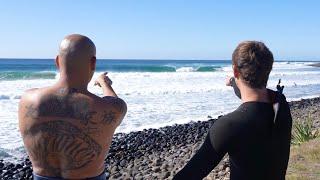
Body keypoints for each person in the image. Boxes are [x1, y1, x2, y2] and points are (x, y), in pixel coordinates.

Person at [174, 41, 292, 180]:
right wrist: (233, 82)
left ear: (236, 71)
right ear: (268, 70)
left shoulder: (229, 125)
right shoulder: (281, 107)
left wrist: (234, 80)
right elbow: (255, 94)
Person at [18, 34, 127, 180]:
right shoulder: (112, 108)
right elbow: (113, 100)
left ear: (57, 61)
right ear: (93, 63)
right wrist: (104, 83)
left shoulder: (27, 99)